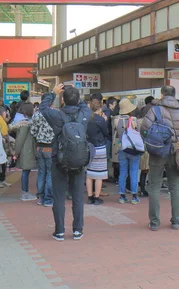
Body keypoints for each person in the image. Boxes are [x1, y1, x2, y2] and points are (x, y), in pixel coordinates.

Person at [40, 84, 91, 241]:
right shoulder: (85, 114)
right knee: (77, 197)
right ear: (77, 100)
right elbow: (82, 105)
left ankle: (60, 231)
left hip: (59, 159)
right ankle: (77, 230)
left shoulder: (57, 116)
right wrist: (73, 92)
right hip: (79, 159)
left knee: (59, 196)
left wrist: (53, 93)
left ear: (63, 99)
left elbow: (43, 108)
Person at [141, 86, 179, 231]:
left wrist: (152, 141)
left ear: (162, 94)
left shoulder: (155, 110)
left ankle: (154, 222)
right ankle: (176, 221)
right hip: (175, 152)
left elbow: (144, 128)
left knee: (154, 186)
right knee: (174, 187)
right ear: (174, 95)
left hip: (158, 152)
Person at [112, 98, 142, 205]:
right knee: (133, 171)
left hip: (122, 149)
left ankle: (122, 196)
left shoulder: (116, 120)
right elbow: (139, 134)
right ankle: (134, 196)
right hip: (133, 149)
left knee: (123, 172)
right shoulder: (134, 120)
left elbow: (115, 135)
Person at [30, 100, 55, 207]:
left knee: (41, 172)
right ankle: (48, 199)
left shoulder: (37, 115)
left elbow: (33, 132)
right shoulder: (54, 114)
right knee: (50, 173)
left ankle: (41, 197)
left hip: (39, 147)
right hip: (50, 147)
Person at [11, 103, 37, 202]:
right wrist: (16, 152)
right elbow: (20, 140)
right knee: (25, 172)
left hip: (26, 150)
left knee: (26, 171)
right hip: (26, 151)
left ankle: (25, 192)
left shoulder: (21, 121)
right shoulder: (25, 123)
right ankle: (24, 192)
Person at [86, 104, 109, 205]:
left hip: (89, 147)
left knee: (89, 174)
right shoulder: (100, 119)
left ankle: (90, 197)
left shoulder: (86, 118)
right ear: (99, 109)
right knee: (99, 174)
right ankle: (96, 197)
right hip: (100, 147)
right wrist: (105, 120)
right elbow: (106, 133)